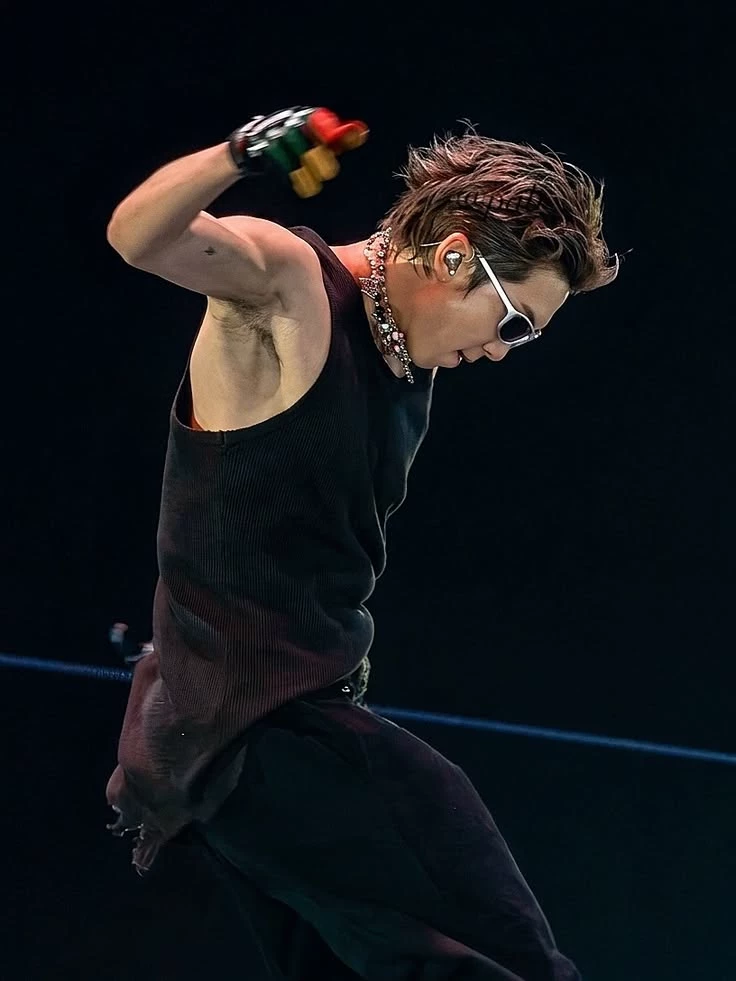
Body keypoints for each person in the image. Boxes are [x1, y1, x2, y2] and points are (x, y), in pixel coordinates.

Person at [105, 106, 619, 980]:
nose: (504, 353)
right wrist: (237, 155)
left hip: (236, 749)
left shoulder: (405, 362)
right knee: (508, 956)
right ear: (453, 257)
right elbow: (138, 237)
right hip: (261, 728)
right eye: (514, 323)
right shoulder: (288, 289)